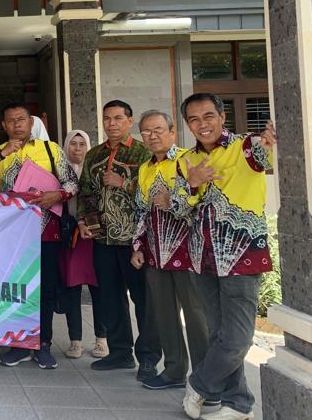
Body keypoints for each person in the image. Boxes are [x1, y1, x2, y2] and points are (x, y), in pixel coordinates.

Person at [179, 94, 276, 420]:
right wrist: (192, 185)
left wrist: (269, 141)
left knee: (237, 337)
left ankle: (199, 384)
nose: (202, 124)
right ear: (188, 124)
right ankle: (239, 403)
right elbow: (177, 208)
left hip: (241, 255)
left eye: (208, 116)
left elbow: (263, 152)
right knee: (219, 333)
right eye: (194, 119)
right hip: (201, 257)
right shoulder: (186, 160)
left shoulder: (244, 147)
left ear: (222, 116)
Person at [0, 103, 79, 370]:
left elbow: (72, 183)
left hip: (46, 230)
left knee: (45, 290)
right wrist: (3, 153)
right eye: (11, 120)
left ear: (31, 123)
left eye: (21, 119)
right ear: (4, 125)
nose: (17, 124)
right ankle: (19, 344)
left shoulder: (50, 149)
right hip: (11, 235)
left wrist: (57, 195)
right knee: (15, 289)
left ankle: (43, 344)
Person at [76, 100, 160, 378]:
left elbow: (155, 192)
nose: (111, 123)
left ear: (130, 121)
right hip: (103, 238)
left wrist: (124, 183)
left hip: (135, 241)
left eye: (117, 118)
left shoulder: (143, 152)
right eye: (107, 118)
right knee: (110, 298)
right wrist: (84, 221)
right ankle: (120, 353)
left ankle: (148, 357)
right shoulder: (94, 155)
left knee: (144, 300)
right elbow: (85, 191)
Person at [130, 110, 209, 391]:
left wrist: (172, 200)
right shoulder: (145, 168)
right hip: (156, 253)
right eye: (146, 132)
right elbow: (141, 210)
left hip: (189, 252)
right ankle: (174, 370)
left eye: (158, 130)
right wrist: (138, 246)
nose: (152, 136)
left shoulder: (189, 160)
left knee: (197, 316)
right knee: (164, 315)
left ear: (172, 132)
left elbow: (202, 200)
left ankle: (205, 377)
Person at [60, 129, 107, 360]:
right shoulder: (59, 172)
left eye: (82, 144)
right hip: (71, 238)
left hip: (93, 237)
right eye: (73, 143)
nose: (77, 148)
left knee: (99, 290)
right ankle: (75, 341)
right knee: (72, 290)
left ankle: (102, 340)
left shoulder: (95, 171)